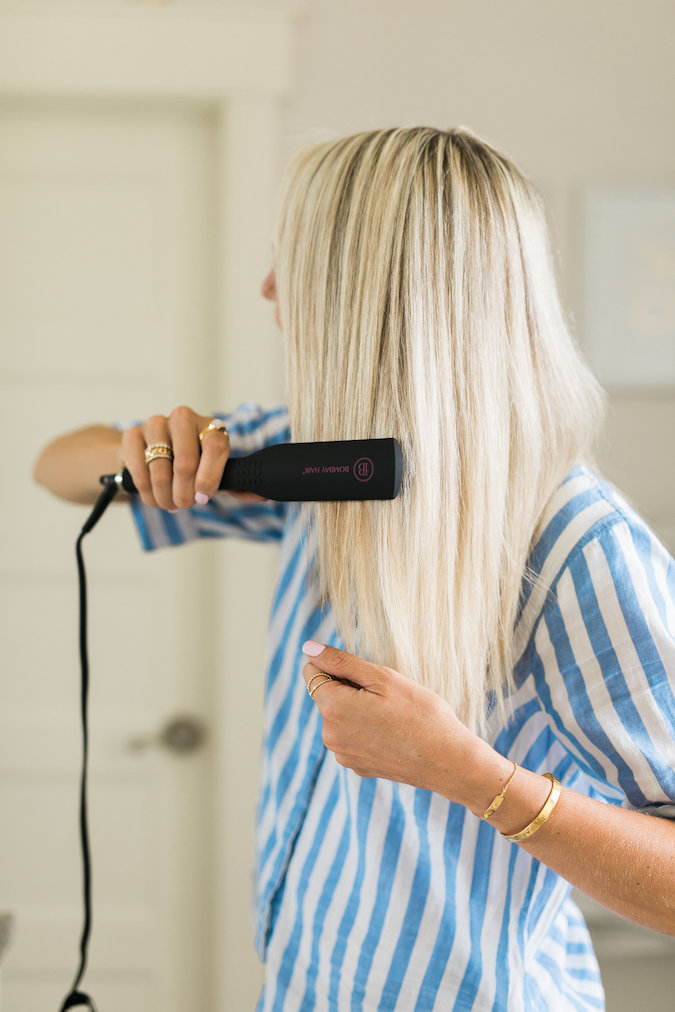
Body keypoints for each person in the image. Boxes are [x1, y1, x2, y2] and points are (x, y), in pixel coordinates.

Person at [34, 127, 675, 1011]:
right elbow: (55, 469)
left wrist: (464, 771)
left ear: (368, 293)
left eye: (287, 262)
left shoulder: (572, 547)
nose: (265, 288)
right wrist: (135, 449)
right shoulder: (306, 459)